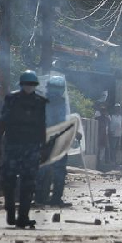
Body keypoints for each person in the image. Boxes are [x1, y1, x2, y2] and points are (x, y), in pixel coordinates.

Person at [0, 70, 47, 228]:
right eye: (26, 84)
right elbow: (2, 123)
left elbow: (41, 127)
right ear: (22, 84)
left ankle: (23, 216)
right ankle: (10, 209)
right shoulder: (11, 99)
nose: (29, 87)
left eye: (31, 84)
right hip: (12, 145)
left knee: (28, 182)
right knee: (9, 181)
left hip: (31, 147)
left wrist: (43, 148)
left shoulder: (40, 102)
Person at [36, 75, 69, 206]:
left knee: (43, 168)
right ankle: (55, 198)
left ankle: (40, 197)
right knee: (59, 170)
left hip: (44, 140)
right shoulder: (59, 102)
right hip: (55, 140)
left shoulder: (41, 100)